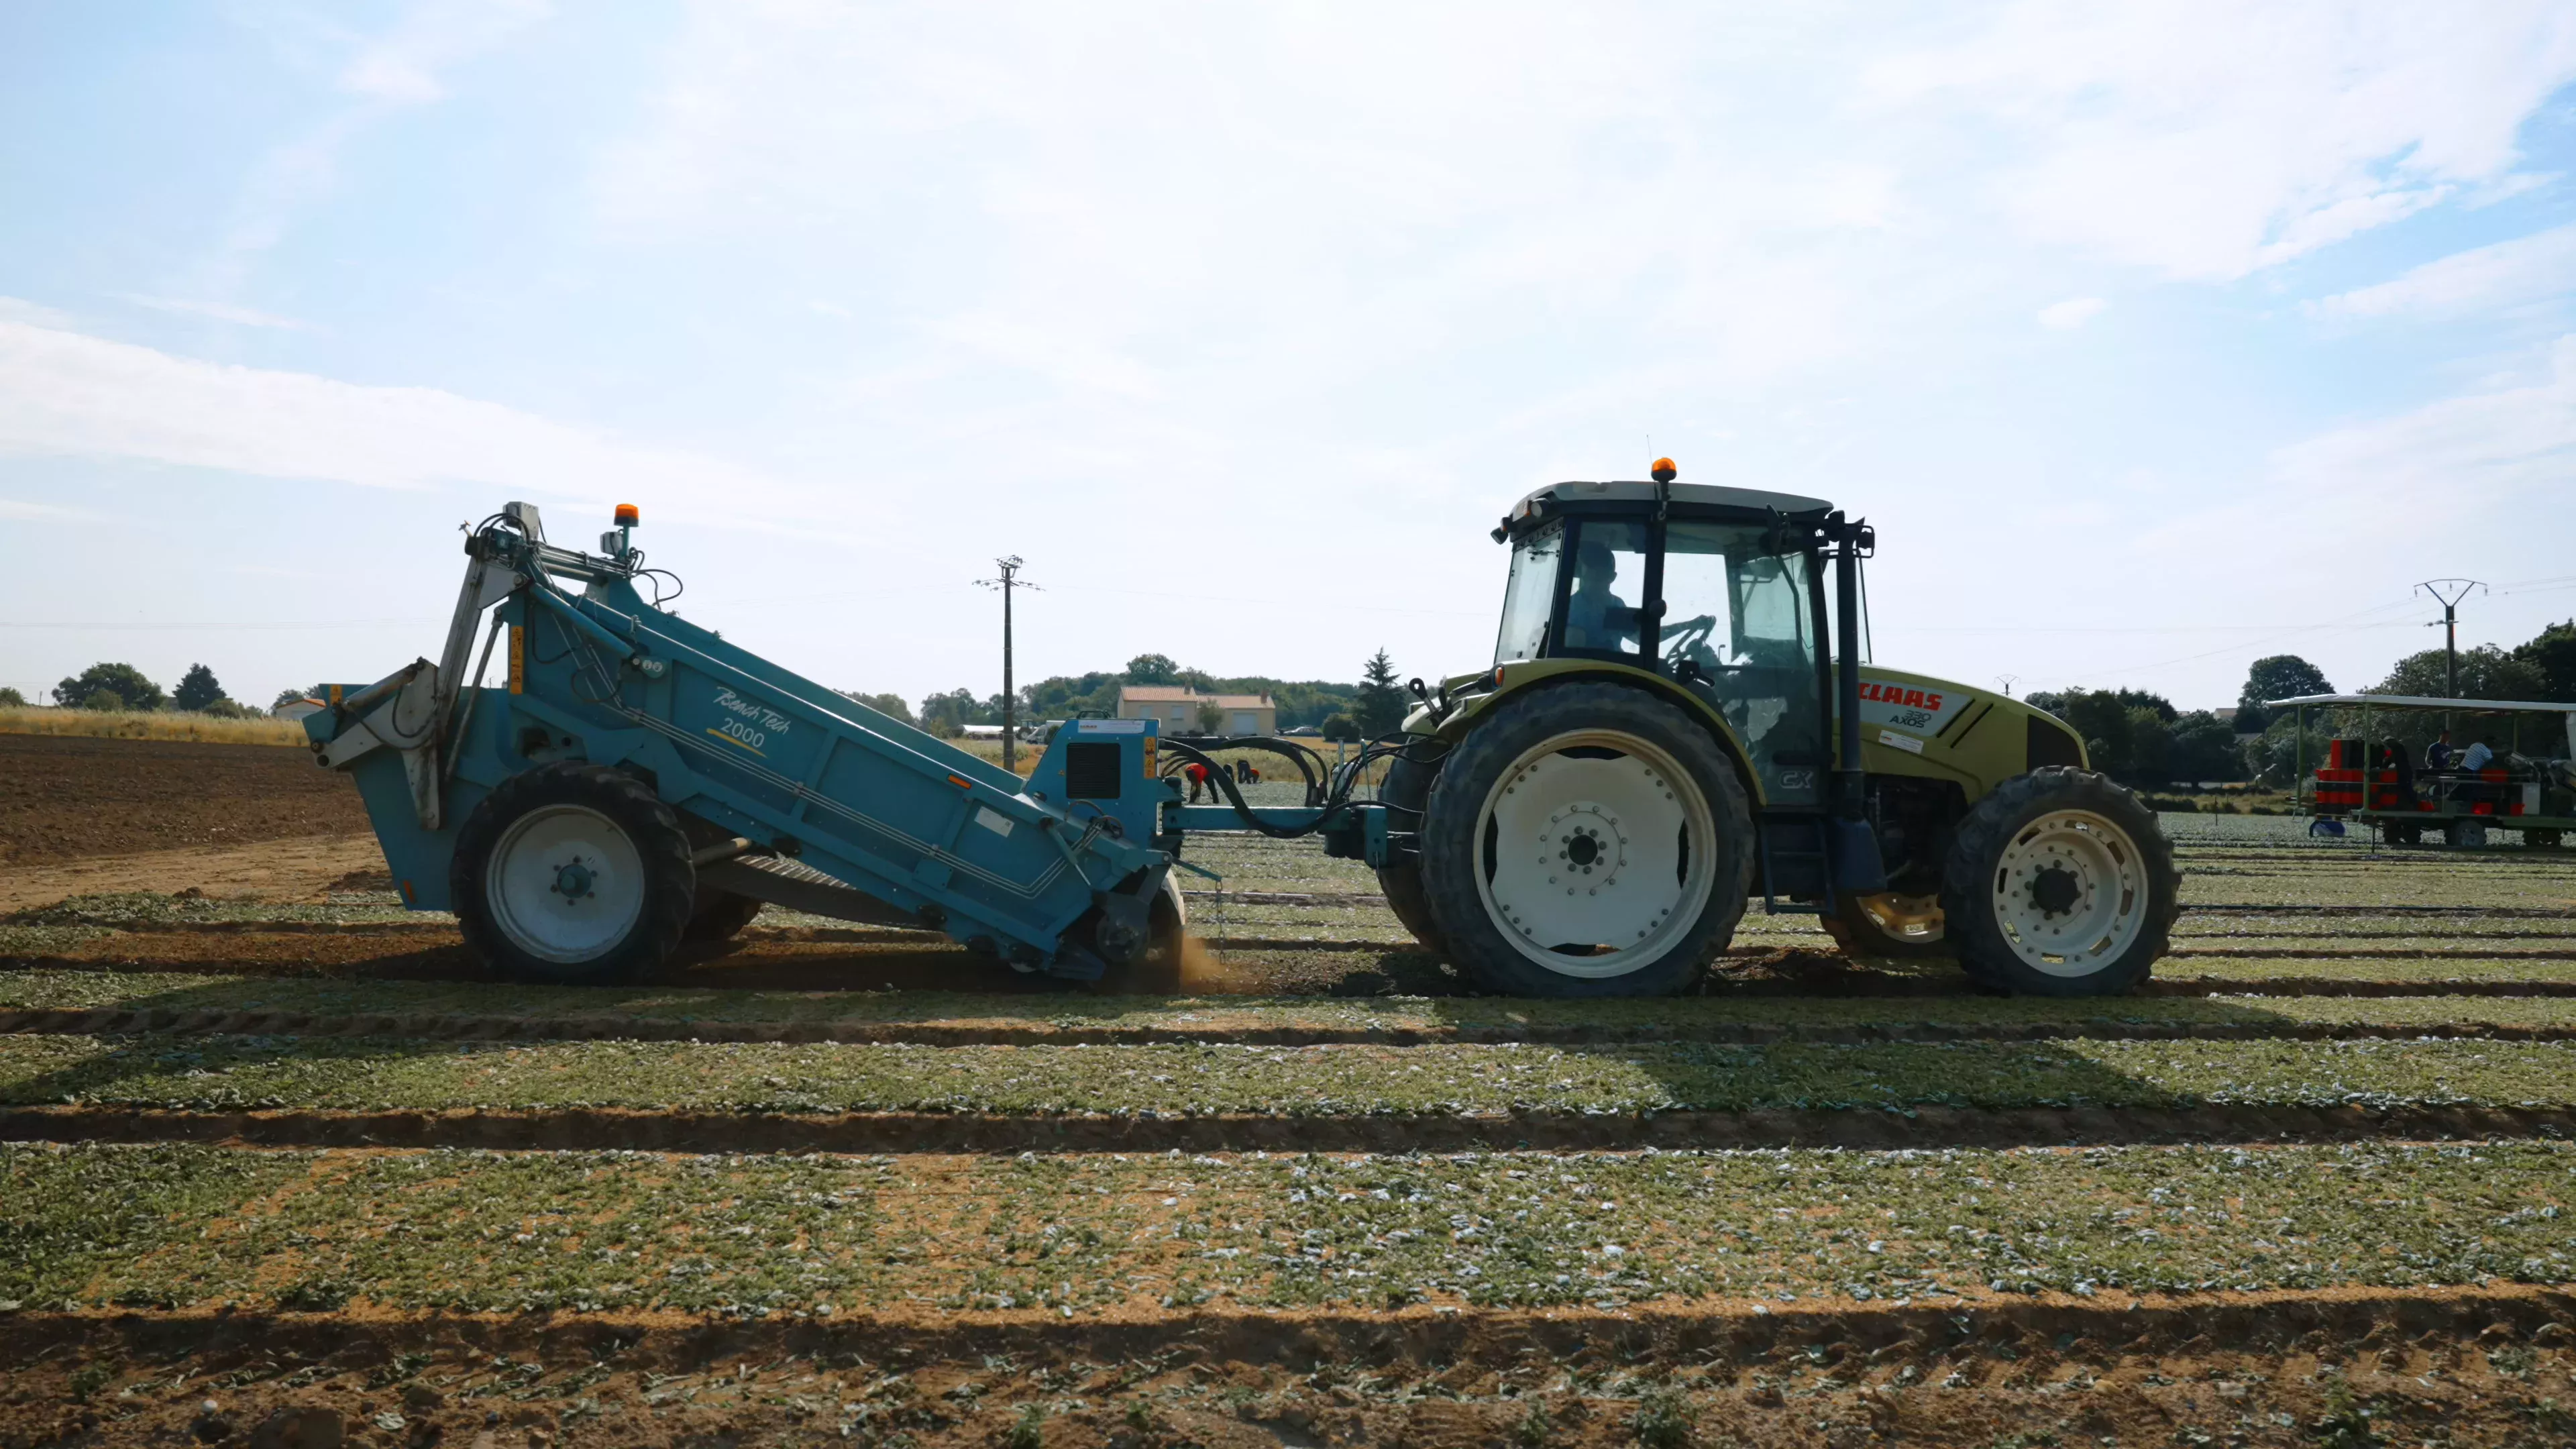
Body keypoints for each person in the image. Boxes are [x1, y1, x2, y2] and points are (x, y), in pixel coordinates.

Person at [1562, 541, 1642, 653]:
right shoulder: (1574, 607)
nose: (1595, 583)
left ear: (1612, 577)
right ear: (1583, 574)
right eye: (1592, 576)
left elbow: (1641, 638)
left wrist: (1675, 628)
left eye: (1601, 576)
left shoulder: (1617, 605)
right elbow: (1574, 654)